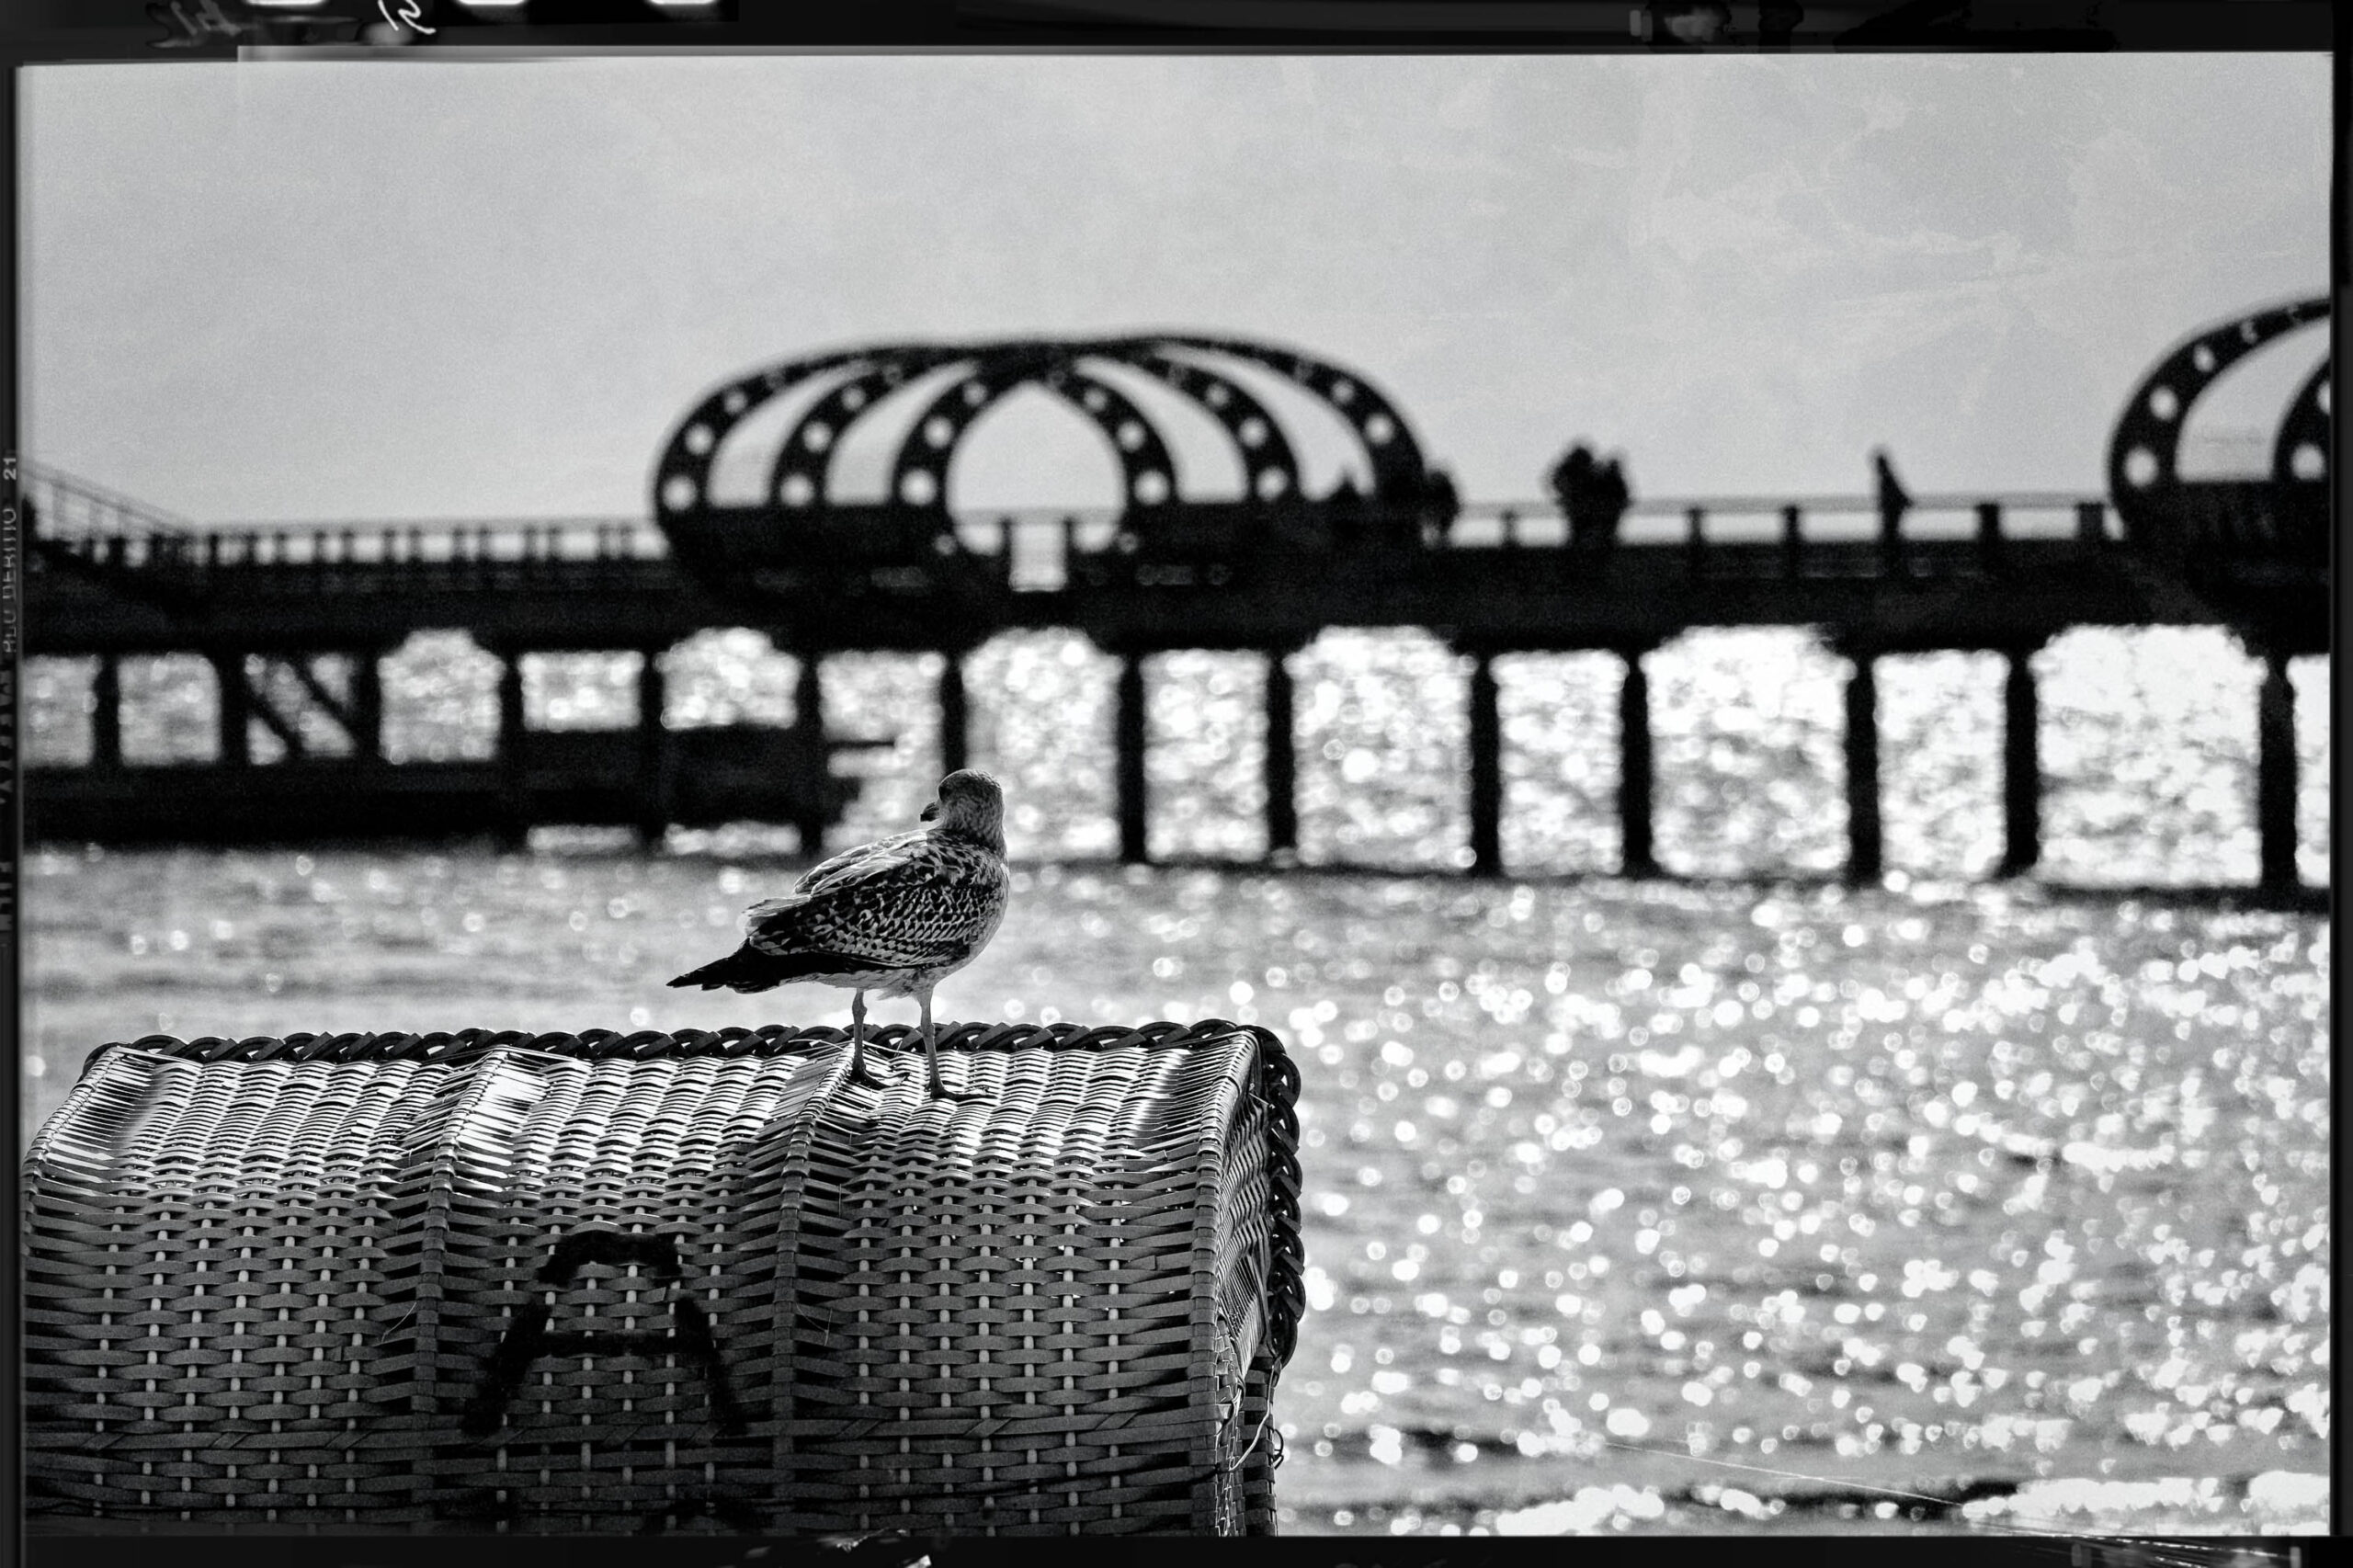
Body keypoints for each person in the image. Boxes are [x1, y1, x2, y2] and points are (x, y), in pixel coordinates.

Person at [1873, 448, 1911, 576]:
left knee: (1890, 542)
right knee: (1892, 542)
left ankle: (1893, 569)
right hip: (1892, 516)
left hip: (1890, 516)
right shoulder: (1888, 478)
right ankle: (1896, 568)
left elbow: (1893, 496)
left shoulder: (1886, 479)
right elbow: (1900, 495)